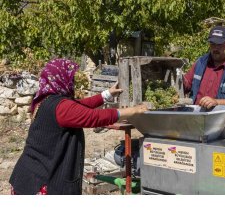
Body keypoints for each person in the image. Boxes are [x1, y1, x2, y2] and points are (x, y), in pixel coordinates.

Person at [9, 58, 148, 195]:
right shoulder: (61, 107)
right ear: (61, 79)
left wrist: (107, 94)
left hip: (28, 175)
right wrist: (133, 111)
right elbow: (94, 117)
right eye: (70, 78)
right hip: (40, 183)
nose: (73, 82)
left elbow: (78, 105)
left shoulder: (47, 100)